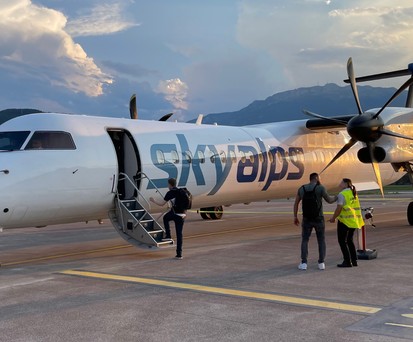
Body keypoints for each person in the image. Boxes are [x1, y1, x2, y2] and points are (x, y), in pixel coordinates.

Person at [293, 173, 337, 271]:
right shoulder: (320, 188)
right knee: (321, 240)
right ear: (316, 178)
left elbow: (296, 203)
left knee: (305, 240)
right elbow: (329, 200)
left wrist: (295, 216)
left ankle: (304, 263)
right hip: (319, 218)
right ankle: (321, 263)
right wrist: (337, 197)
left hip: (306, 219)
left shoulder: (302, 188)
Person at [329, 178, 364, 268]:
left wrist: (333, 218)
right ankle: (354, 260)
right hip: (353, 221)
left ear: (345, 184)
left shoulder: (342, 194)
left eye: (341, 182)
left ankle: (347, 261)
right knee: (349, 240)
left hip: (345, 221)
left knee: (342, 241)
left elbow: (339, 208)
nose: (339, 184)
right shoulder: (353, 193)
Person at [149, 178, 186, 259]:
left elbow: (161, 204)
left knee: (165, 218)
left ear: (170, 184)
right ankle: (179, 254)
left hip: (176, 214)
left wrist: (153, 200)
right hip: (183, 214)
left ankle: (168, 235)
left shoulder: (170, 193)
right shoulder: (181, 191)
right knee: (179, 234)